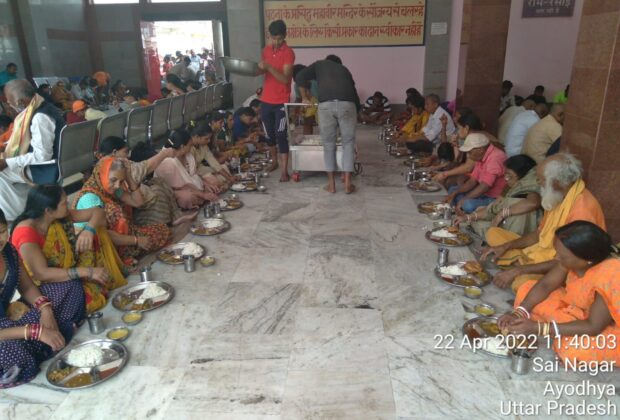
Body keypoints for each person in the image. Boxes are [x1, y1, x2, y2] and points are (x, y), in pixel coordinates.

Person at [481, 153, 606, 292]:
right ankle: (519, 263)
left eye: (541, 179)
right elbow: (539, 234)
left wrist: (520, 270)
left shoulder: (582, 210)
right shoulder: (557, 196)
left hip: (563, 265)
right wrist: (505, 246)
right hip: (541, 252)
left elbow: (568, 262)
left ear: (556, 181)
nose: (538, 183)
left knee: (522, 285)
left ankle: (519, 265)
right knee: (494, 233)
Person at [499, 221, 620, 364]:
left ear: (587, 260)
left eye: (562, 256)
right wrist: (519, 312)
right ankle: (554, 328)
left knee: (570, 350)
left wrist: (539, 328)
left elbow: (594, 326)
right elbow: (546, 285)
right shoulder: (572, 259)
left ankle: (553, 329)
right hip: (577, 311)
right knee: (526, 288)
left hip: (603, 327)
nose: (557, 258)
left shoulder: (610, 275)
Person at [0, 208, 85, 388]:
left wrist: (45, 309)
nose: (0, 239)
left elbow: (27, 287)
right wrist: (35, 331)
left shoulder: (9, 252)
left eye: (2, 231)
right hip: (4, 336)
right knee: (10, 351)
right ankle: (42, 341)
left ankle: (44, 339)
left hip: (9, 320)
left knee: (69, 286)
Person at [11, 185, 127, 314]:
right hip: (45, 285)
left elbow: (98, 212)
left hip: (68, 267)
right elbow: (42, 274)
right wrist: (87, 272)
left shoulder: (57, 216)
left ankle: (93, 281)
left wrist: (89, 230)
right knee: (84, 297)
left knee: (97, 234)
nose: (68, 204)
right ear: (48, 210)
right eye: (64, 203)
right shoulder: (26, 233)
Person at [74, 157, 171, 267]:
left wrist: (128, 177)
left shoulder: (109, 189)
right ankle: (121, 258)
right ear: (101, 174)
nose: (117, 185)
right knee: (114, 212)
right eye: (113, 180)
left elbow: (138, 202)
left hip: (119, 239)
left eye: (120, 181)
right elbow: (104, 235)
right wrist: (136, 240)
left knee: (161, 230)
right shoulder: (90, 197)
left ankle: (125, 255)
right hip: (98, 246)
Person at [0, 80, 65, 220]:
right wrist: (7, 146)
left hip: (45, 169)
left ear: (20, 102)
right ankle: (25, 208)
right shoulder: (43, 106)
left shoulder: (39, 117)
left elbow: (42, 155)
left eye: (9, 102)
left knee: (2, 173)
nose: (9, 105)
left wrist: (7, 162)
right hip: (52, 164)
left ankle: (14, 217)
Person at [296, 54, 359, 194]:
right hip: (347, 105)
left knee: (328, 144)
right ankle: (348, 184)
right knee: (348, 143)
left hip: (326, 105)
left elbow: (300, 76)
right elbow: (355, 95)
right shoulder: (345, 70)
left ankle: (331, 186)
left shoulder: (319, 64)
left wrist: (304, 98)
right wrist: (356, 114)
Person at [97, 137, 188, 227]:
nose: (128, 156)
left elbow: (138, 202)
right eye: (125, 152)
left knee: (157, 184)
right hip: (117, 226)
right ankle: (161, 224)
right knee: (156, 192)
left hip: (125, 218)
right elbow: (143, 169)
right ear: (114, 152)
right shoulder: (109, 171)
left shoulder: (117, 187)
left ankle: (172, 219)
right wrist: (164, 154)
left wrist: (129, 177)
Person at [454, 155, 540, 237]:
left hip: (518, 232)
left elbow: (533, 203)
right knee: (479, 212)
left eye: (509, 175)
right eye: (505, 174)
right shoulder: (510, 187)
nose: (506, 178)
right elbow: (496, 206)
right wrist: (468, 217)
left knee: (514, 204)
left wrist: (503, 213)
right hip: (504, 221)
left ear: (522, 176)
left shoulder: (530, 189)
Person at [258, 19, 295, 182]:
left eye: (279, 38)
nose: (276, 42)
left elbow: (285, 79)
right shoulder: (265, 51)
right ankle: (274, 162)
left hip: (281, 100)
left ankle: (284, 171)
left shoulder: (288, 53)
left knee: (281, 135)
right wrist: (257, 68)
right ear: (270, 36)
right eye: (274, 38)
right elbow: (262, 72)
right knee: (269, 135)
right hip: (266, 99)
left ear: (285, 35)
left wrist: (269, 68)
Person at [154, 129, 219, 209]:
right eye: (190, 145)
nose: (191, 147)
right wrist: (202, 194)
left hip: (191, 187)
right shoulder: (167, 162)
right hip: (174, 192)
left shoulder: (186, 154)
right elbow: (179, 187)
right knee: (187, 197)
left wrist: (205, 184)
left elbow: (194, 175)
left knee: (212, 181)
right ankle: (199, 200)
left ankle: (203, 197)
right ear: (182, 147)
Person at [444, 133, 507, 214]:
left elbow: (484, 186)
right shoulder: (481, 155)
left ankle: (461, 208)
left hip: (494, 197)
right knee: (453, 190)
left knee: (468, 204)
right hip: (483, 193)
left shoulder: (495, 157)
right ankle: (454, 210)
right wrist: (456, 193)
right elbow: (472, 181)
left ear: (480, 149)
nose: (468, 156)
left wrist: (465, 199)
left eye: (470, 152)